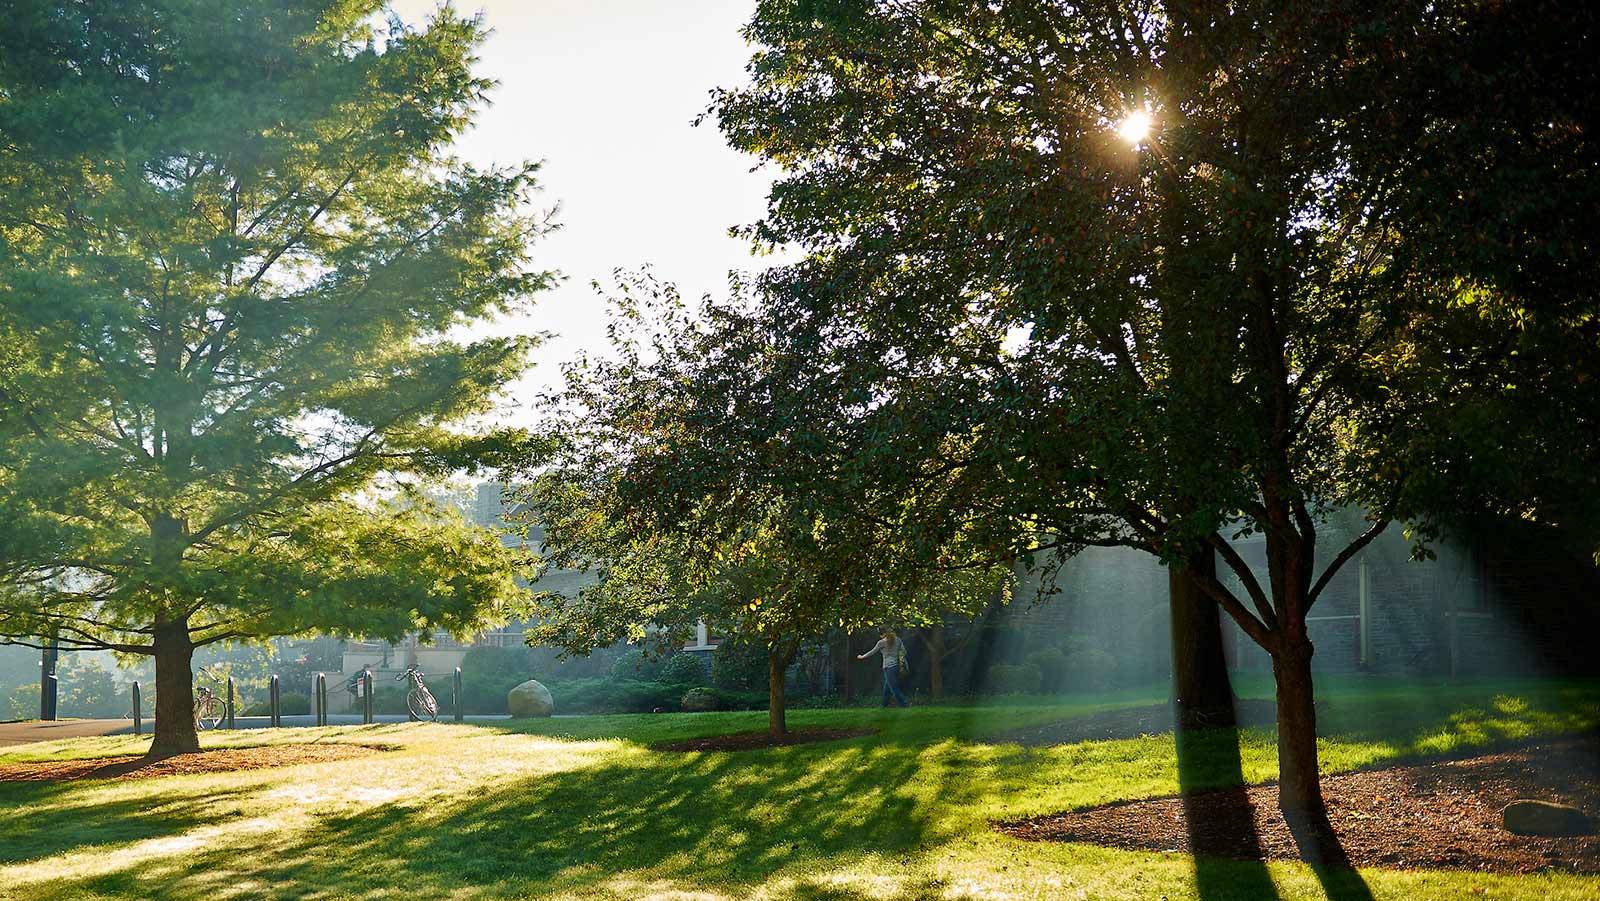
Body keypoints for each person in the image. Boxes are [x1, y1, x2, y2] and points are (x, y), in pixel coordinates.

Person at [858, 628, 910, 708]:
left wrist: (862, 657)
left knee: (894, 688)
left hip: (888, 667)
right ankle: (884, 705)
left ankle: (904, 704)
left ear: (883, 634)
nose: (880, 637)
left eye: (880, 635)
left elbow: (872, 652)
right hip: (897, 666)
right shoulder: (898, 640)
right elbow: (904, 651)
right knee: (887, 687)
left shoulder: (881, 642)